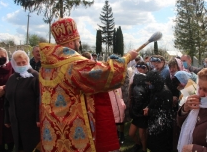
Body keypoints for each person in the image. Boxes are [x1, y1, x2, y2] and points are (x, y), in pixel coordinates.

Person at [38, 17, 138, 152]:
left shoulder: (46, 66)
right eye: (78, 40)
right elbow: (104, 73)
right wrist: (127, 58)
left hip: (53, 127)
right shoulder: (72, 64)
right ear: (72, 42)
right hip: (75, 127)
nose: (79, 43)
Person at [4, 50, 40, 152]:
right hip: (16, 121)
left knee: (32, 146)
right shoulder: (12, 78)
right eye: (18, 63)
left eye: (23, 62)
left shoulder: (34, 76)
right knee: (19, 146)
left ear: (27, 61)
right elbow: (7, 100)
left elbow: (40, 98)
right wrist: (7, 118)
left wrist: (39, 118)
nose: (21, 65)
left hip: (31, 121)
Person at [143, 71, 173, 152]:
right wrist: (148, 107)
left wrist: (150, 111)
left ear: (155, 81)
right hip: (155, 122)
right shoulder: (156, 89)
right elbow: (153, 102)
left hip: (162, 127)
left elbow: (166, 113)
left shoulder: (165, 92)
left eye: (150, 83)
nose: (149, 85)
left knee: (160, 146)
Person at [128, 61, 150, 152]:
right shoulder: (135, 77)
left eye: (142, 67)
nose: (140, 68)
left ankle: (144, 149)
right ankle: (138, 144)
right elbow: (131, 90)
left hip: (143, 112)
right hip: (137, 111)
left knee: (142, 135)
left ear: (146, 68)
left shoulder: (149, 79)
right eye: (138, 66)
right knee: (131, 133)